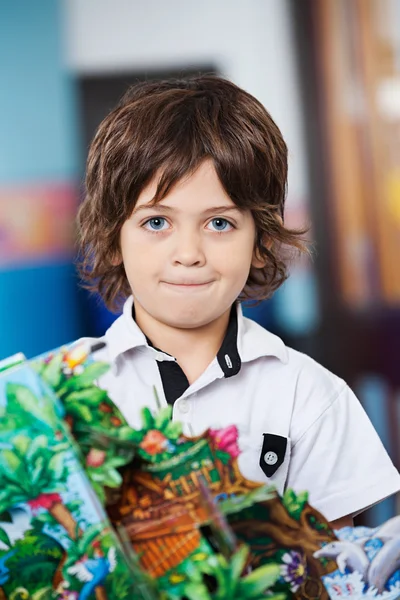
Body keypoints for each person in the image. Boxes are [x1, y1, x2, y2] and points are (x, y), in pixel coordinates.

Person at [77, 75, 400, 529]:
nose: (188, 253)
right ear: (113, 238)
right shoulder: (64, 393)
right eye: (155, 223)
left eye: (219, 224)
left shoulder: (309, 397)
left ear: (261, 241)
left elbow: (334, 572)